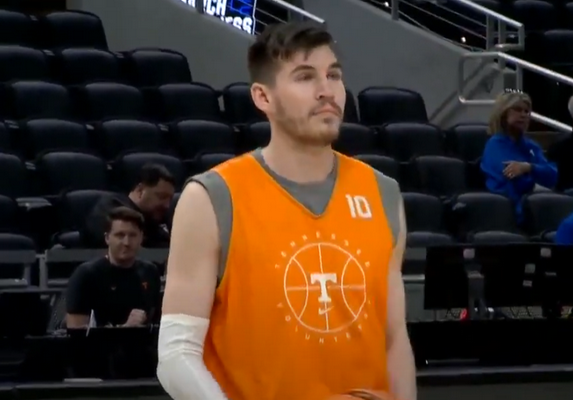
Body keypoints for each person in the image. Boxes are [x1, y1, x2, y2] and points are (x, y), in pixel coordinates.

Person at [156, 22, 417, 400]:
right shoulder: (212, 198)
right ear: (263, 97)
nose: (327, 91)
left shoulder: (382, 193)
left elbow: (394, 338)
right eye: (305, 77)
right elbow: (176, 356)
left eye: (334, 75)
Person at [65, 207, 162, 328]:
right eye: (120, 235)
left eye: (132, 235)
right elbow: (75, 332)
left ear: (141, 237)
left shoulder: (150, 272)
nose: (126, 242)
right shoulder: (86, 275)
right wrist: (125, 329)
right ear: (107, 238)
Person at [480, 90, 558, 221]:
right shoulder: (495, 145)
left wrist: (528, 168)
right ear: (503, 113)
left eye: (526, 111)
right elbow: (513, 180)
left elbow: (553, 175)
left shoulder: (532, 146)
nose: (523, 115)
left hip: (534, 208)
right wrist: (537, 178)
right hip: (506, 211)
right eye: (517, 109)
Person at [80, 163, 175, 248]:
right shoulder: (110, 207)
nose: (167, 205)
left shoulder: (159, 218)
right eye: (161, 197)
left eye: (170, 199)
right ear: (140, 191)